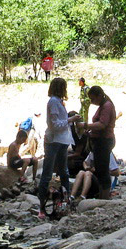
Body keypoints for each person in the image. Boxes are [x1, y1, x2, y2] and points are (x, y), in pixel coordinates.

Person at [39, 77, 79, 218]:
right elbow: (55, 125)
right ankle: (42, 208)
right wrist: (70, 120)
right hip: (53, 140)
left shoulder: (58, 102)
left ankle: (65, 203)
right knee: (48, 173)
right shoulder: (54, 102)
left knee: (64, 172)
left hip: (61, 141)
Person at [82, 85, 116, 200]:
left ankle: (105, 197)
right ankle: (102, 195)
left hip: (104, 141)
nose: (92, 102)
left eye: (93, 99)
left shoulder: (107, 106)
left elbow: (102, 124)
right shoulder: (103, 105)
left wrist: (86, 125)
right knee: (100, 170)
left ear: (99, 96)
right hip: (99, 141)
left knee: (103, 170)